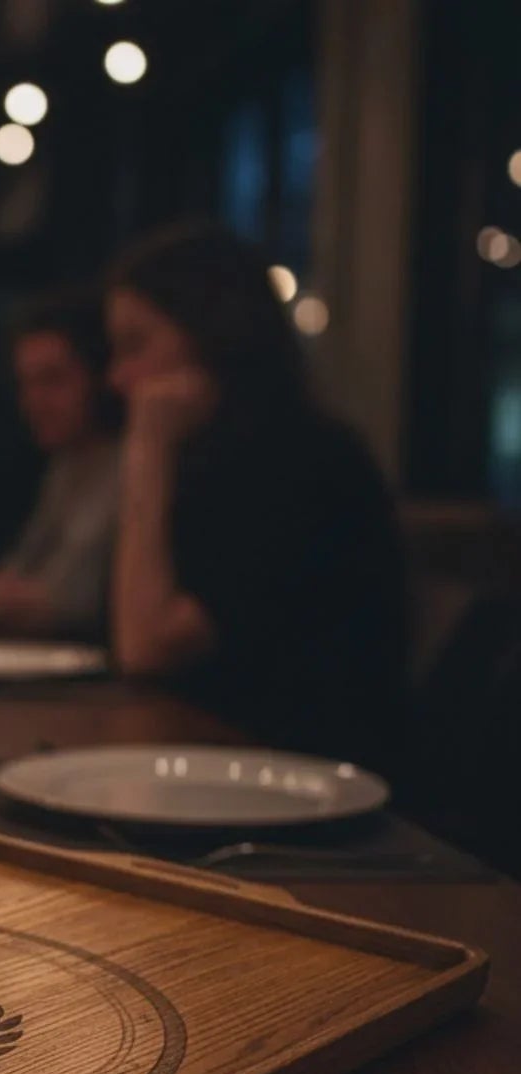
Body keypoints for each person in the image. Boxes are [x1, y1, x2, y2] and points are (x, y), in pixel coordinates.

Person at [105, 222, 408, 769]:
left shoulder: (301, 461)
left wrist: (147, 449)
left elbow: (144, 647)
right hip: (220, 765)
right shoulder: (211, 458)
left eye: (136, 344)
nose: (117, 376)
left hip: (308, 790)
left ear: (213, 334)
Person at [0, 292, 121, 641]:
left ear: (101, 376)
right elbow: (22, 569)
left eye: (53, 380)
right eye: (26, 384)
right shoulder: (67, 466)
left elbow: (75, 604)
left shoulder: (132, 465)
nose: (33, 402)